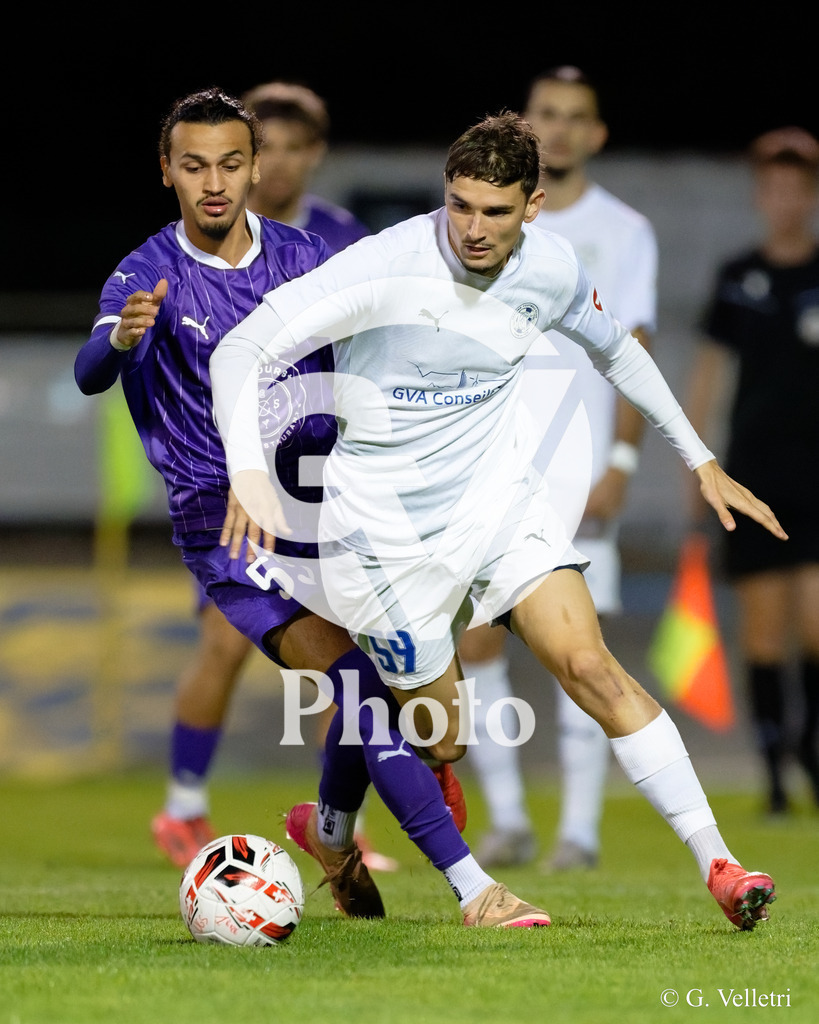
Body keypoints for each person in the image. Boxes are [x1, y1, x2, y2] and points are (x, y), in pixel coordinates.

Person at [212, 111, 783, 931]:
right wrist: (247, 472)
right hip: (382, 537)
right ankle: (330, 828)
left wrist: (700, 460)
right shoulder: (385, 266)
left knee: (590, 666)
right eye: (459, 206)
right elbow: (243, 349)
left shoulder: (549, 269)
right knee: (441, 741)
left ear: (533, 205)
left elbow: (615, 347)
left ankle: (720, 866)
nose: (472, 229)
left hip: (498, 507)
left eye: (494, 211)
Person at [75, 87, 549, 930]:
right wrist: (116, 341)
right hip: (229, 521)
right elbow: (89, 371)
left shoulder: (309, 253)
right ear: (166, 173)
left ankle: (330, 833)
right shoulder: (145, 271)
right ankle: (473, 888)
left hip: (333, 505)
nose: (213, 182)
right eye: (193, 166)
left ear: (255, 168)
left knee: (408, 699)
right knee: (361, 683)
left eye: (229, 163)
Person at [150, 80, 373, 871]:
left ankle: (338, 812)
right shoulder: (190, 250)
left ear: (312, 155)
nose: (269, 164)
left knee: (342, 652)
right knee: (226, 639)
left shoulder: (342, 240)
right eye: (260, 149)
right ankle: (181, 804)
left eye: (284, 149)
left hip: (322, 485)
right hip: (233, 494)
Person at [457, 65, 659, 870]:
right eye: (548, 114)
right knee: (474, 642)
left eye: (577, 116)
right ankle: (506, 817)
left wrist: (618, 459)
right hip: (485, 464)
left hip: (574, 469)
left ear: (596, 134)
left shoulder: (624, 230)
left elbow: (632, 350)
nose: (562, 128)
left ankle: (578, 831)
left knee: (583, 650)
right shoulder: (488, 220)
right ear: (525, 124)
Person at [686, 126, 819, 817]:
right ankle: (772, 775)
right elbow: (710, 372)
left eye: (796, 188)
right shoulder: (738, 277)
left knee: (814, 629)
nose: (785, 200)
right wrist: (693, 458)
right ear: (760, 196)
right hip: (753, 475)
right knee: (763, 633)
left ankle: (809, 748)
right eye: (773, 188)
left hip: (815, 479)